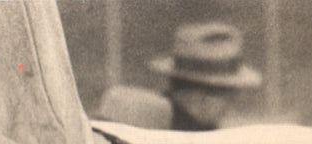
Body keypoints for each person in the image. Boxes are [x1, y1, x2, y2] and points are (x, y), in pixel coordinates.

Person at [95, 23, 260, 132]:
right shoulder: (154, 124)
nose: (232, 103)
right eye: (227, 93)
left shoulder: (204, 130)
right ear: (200, 95)